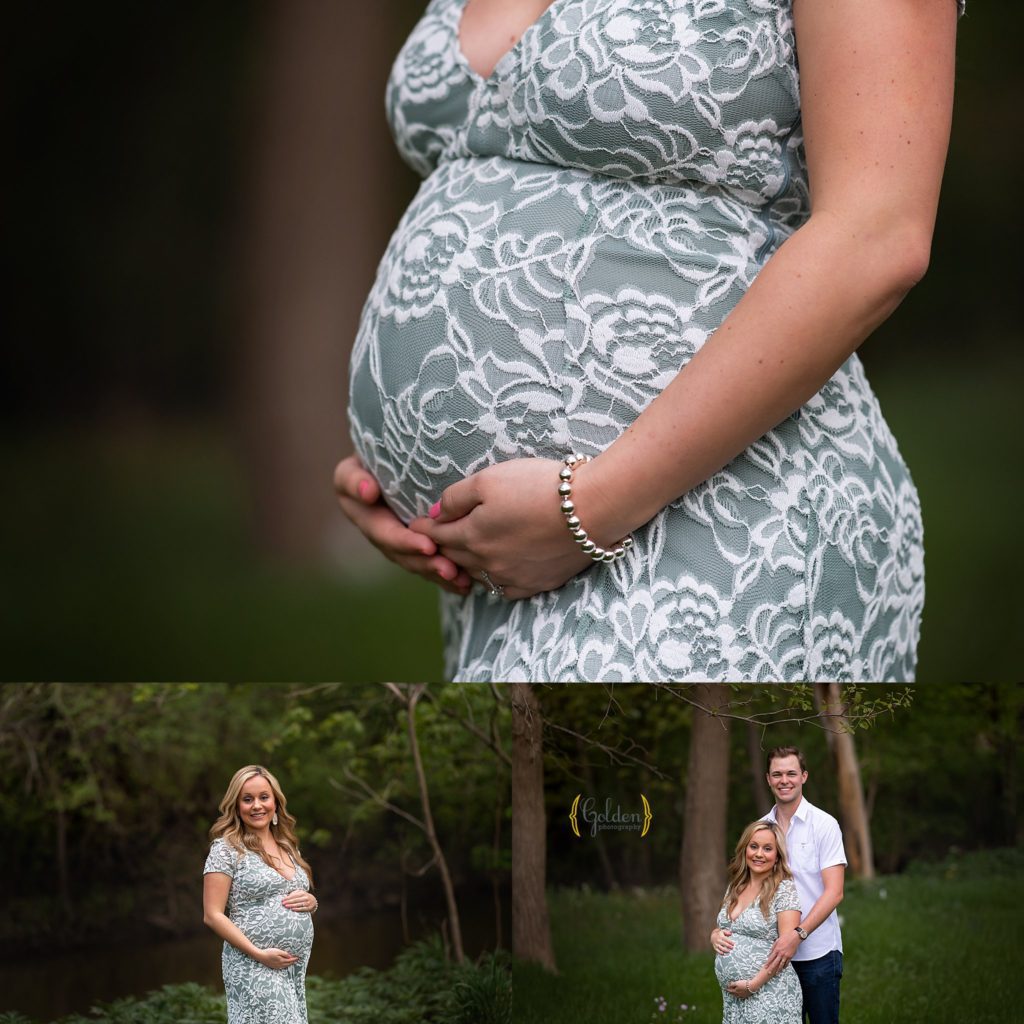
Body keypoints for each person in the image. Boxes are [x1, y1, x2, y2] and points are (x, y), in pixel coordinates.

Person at [337, 0, 965, 682]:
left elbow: (877, 236)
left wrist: (592, 507)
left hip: (723, 516)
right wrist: (402, 468)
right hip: (509, 567)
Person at [713, 746, 846, 1024]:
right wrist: (718, 933)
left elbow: (834, 892)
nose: (784, 780)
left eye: (791, 773)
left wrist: (797, 935)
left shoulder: (824, 825)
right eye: (777, 774)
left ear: (804, 777)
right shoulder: (761, 830)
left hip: (817, 954)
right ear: (768, 779)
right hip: (768, 960)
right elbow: (744, 889)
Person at [203, 765, 318, 1024]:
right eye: (247, 799)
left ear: (275, 802)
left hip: (292, 970)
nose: (257, 805)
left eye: (263, 797)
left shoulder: (287, 846)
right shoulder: (225, 849)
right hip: (253, 964)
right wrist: (258, 953)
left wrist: (312, 902)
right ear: (237, 806)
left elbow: (298, 894)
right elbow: (212, 915)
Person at [714, 820, 803, 1023]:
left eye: (767, 848)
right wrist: (714, 935)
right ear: (745, 849)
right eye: (754, 846)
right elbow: (726, 928)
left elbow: (786, 950)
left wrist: (752, 985)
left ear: (777, 855)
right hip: (733, 999)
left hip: (770, 994)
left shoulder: (784, 889)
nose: (759, 854)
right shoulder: (735, 886)